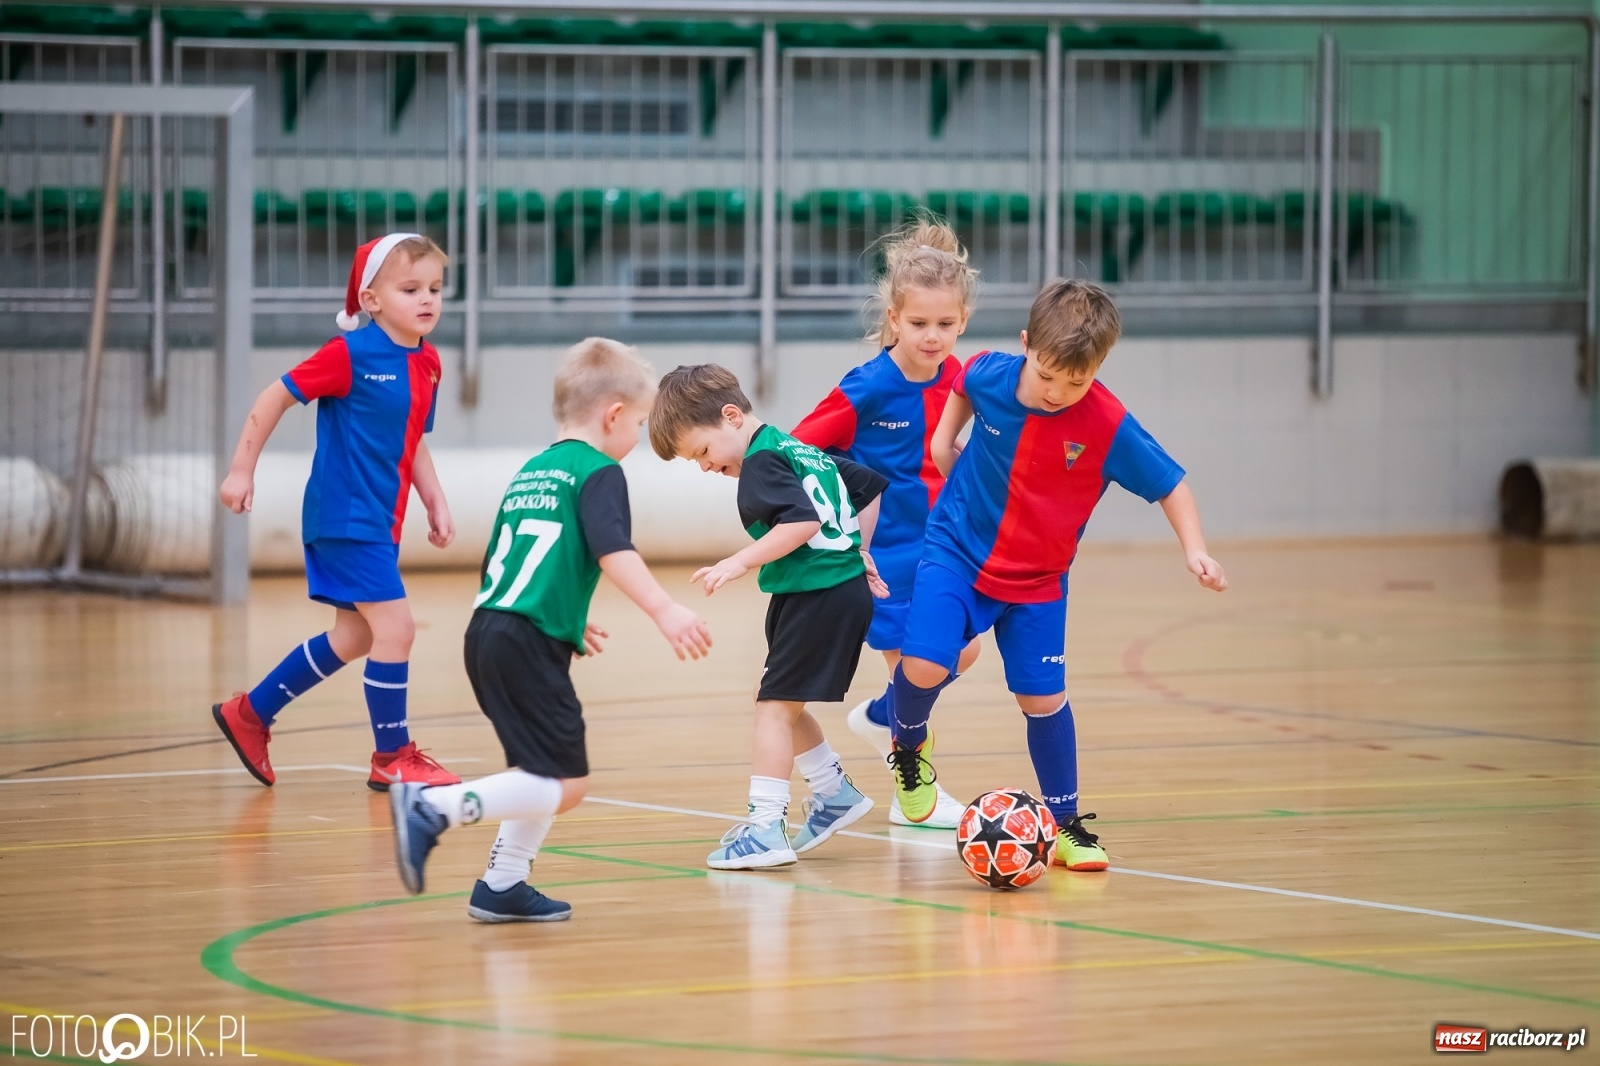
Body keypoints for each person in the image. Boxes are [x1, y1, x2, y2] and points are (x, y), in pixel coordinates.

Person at [886, 278, 1228, 871]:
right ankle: (909, 747)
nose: (1057, 392)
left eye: (1077, 381)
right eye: (1046, 376)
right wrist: (945, 444)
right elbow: (962, 380)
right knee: (922, 664)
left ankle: (1067, 825)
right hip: (958, 552)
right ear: (1027, 345)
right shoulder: (993, 374)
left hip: (1039, 581)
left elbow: (1172, 484)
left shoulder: (1105, 421)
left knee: (1042, 699)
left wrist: (1195, 548)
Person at [389, 338, 712, 922]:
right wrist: (666, 610)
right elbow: (614, 550)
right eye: (638, 423)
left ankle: (502, 884)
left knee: (538, 771)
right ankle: (432, 809)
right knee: (567, 783)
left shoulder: (533, 470)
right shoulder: (600, 472)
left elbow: (507, 562)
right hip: (525, 643)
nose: (637, 438)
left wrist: (566, 611)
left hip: (489, 629)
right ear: (614, 414)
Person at [212, 233, 462, 791]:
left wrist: (436, 499)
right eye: (410, 288)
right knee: (396, 628)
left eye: (435, 288)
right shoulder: (348, 353)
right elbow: (274, 396)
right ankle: (392, 756)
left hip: (380, 521)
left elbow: (414, 438)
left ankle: (249, 714)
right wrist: (241, 469)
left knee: (355, 637)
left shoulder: (429, 362)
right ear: (370, 300)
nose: (428, 299)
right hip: (344, 517)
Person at [649, 364, 889, 871]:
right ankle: (833, 794)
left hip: (818, 594)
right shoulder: (795, 446)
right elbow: (866, 487)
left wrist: (739, 560)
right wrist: (857, 548)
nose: (705, 467)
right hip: (828, 590)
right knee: (780, 703)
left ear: (731, 416)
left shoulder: (760, 463)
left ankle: (765, 828)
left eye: (702, 453)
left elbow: (801, 522)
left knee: (773, 709)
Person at [791, 215, 982, 829]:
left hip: (945, 548)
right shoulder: (867, 387)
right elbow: (795, 450)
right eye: (919, 324)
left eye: (946, 325)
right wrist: (840, 521)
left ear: (964, 322)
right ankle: (913, 796)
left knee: (965, 652)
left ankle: (880, 718)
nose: (933, 337)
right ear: (894, 319)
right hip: (889, 556)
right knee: (916, 670)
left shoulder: (960, 378)